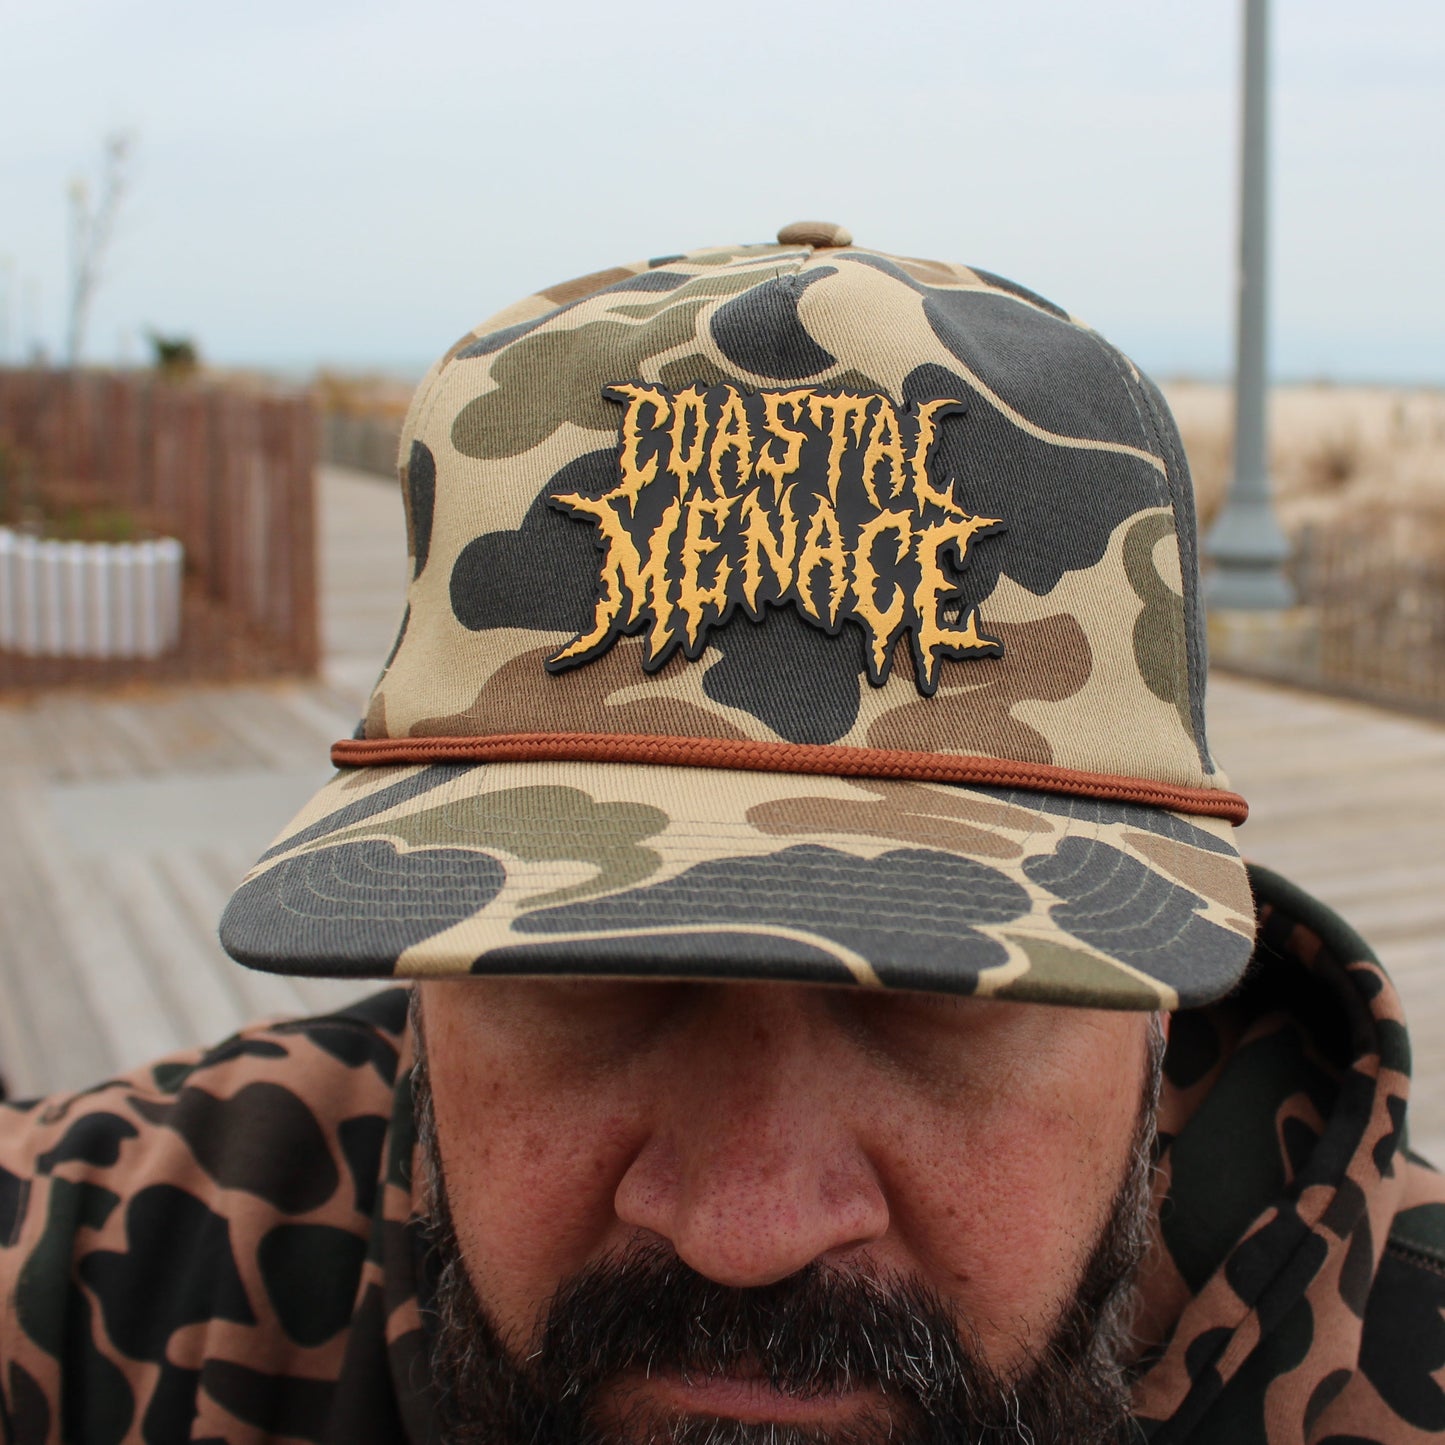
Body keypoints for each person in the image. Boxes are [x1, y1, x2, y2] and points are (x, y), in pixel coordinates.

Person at [2, 221, 1442, 1445]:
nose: (746, 1224)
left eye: (949, 988)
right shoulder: (102, 1282)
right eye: (588, 970)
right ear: (438, 976)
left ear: (1153, 1012)